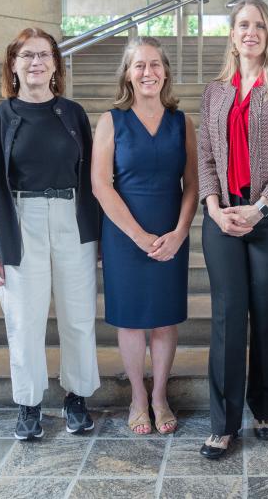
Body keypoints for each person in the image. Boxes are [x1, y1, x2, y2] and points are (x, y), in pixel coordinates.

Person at [197, 0, 268, 459]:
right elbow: (204, 155)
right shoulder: (214, 92)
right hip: (222, 217)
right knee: (227, 314)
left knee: (266, 312)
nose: (251, 32)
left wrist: (260, 209)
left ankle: (265, 406)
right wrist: (213, 207)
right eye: (243, 24)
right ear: (232, 33)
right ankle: (223, 424)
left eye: (260, 25)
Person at [0, 27, 100, 440]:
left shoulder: (73, 114)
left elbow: (93, 179)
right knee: (24, 321)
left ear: (55, 64)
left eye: (43, 55)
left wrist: (97, 234)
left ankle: (76, 398)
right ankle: (29, 404)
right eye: (26, 55)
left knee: (78, 317)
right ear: (13, 64)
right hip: (21, 220)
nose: (35, 62)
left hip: (72, 219)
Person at [92, 37, 198, 435]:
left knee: (165, 322)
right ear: (127, 74)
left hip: (172, 230)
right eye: (139, 66)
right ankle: (138, 396)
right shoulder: (111, 121)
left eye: (155, 65)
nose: (148, 72)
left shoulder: (181, 121)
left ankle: (160, 396)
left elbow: (192, 184)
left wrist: (180, 232)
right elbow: (101, 186)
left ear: (166, 72)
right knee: (133, 321)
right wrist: (138, 237)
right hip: (125, 233)